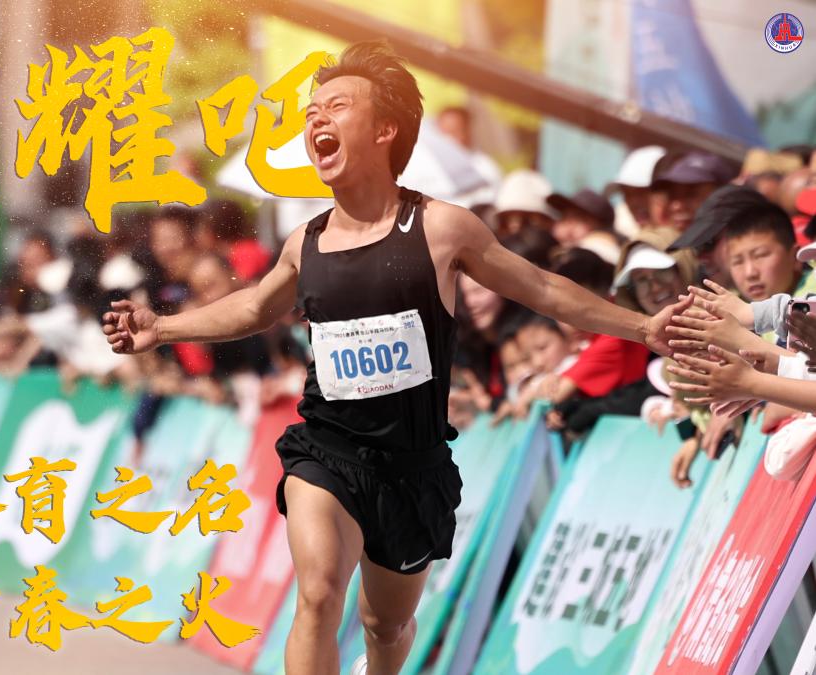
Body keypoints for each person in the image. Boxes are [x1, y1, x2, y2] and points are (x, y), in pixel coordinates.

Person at [102, 40, 681, 675]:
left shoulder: (442, 228)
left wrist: (642, 325)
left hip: (413, 466)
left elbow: (542, 289)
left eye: (337, 107)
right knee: (318, 595)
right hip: (327, 448)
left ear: (385, 130)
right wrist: (163, 328)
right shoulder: (305, 242)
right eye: (312, 112)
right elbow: (254, 308)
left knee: (387, 625)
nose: (316, 120)